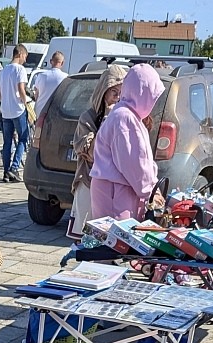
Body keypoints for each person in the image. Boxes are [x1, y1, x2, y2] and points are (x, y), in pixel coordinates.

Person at [89, 64, 164, 220]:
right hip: (115, 194)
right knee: (116, 242)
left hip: (117, 192)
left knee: (115, 241)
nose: (153, 103)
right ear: (143, 93)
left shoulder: (128, 115)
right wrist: (150, 190)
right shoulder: (125, 118)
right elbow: (134, 164)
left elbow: (142, 161)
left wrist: (152, 186)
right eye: (152, 96)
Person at [68, 64, 126, 234]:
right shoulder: (88, 118)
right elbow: (94, 154)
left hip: (113, 186)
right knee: (85, 236)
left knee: (109, 239)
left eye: (121, 94)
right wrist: (108, 119)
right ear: (103, 92)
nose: (118, 98)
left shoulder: (125, 118)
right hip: (88, 181)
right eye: (114, 93)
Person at [0, 44, 29, 183]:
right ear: (20, 54)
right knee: (23, 138)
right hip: (18, 109)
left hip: (5, 111)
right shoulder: (20, 69)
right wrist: (25, 102)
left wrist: (6, 102)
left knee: (7, 142)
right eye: (25, 57)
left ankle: (5, 171)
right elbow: (21, 89)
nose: (25, 60)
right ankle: (14, 167)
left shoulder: (4, 70)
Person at [29, 51, 67, 121]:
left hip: (40, 112)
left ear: (50, 61)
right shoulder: (65, 77)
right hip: (56, 113)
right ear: (62, 63)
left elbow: (36, 94)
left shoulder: (41, 76)